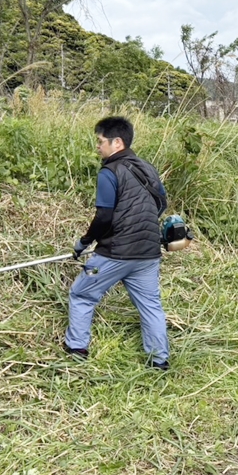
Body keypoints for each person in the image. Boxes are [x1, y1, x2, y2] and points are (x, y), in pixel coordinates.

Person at [64, 116, 171, 369]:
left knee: (81, 294)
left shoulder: (109, 172)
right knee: (150, 305)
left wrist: (84, 242)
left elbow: (104, 216)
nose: (97, 146)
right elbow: (162, 203)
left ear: (117, 143)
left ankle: (76, 348)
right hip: (148, 254)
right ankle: (159, 360)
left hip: (114, 255)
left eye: (100, 141)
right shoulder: (148, 168)